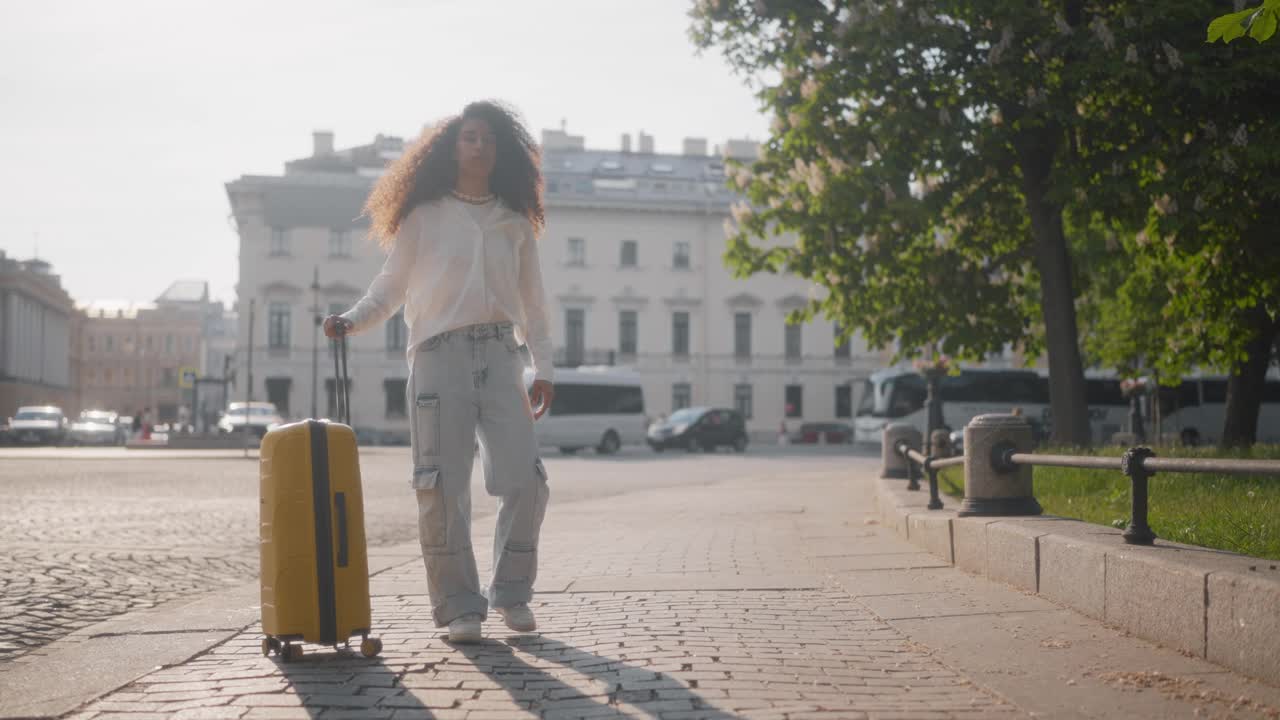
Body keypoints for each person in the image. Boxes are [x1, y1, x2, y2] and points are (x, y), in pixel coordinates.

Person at [324, 101, 555, 644]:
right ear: (452, 148)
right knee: (442, 486)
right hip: (436, 357)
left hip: (502, 356)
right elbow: (391, 284)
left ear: (503, 152)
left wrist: (543, 367)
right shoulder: (424, 215)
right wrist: (351, 319)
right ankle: (459, 606)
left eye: (490, 139)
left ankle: (513, 593)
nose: (480, 146)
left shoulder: (514, 219)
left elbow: (535, 301)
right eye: (470, 137)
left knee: (526, 479)